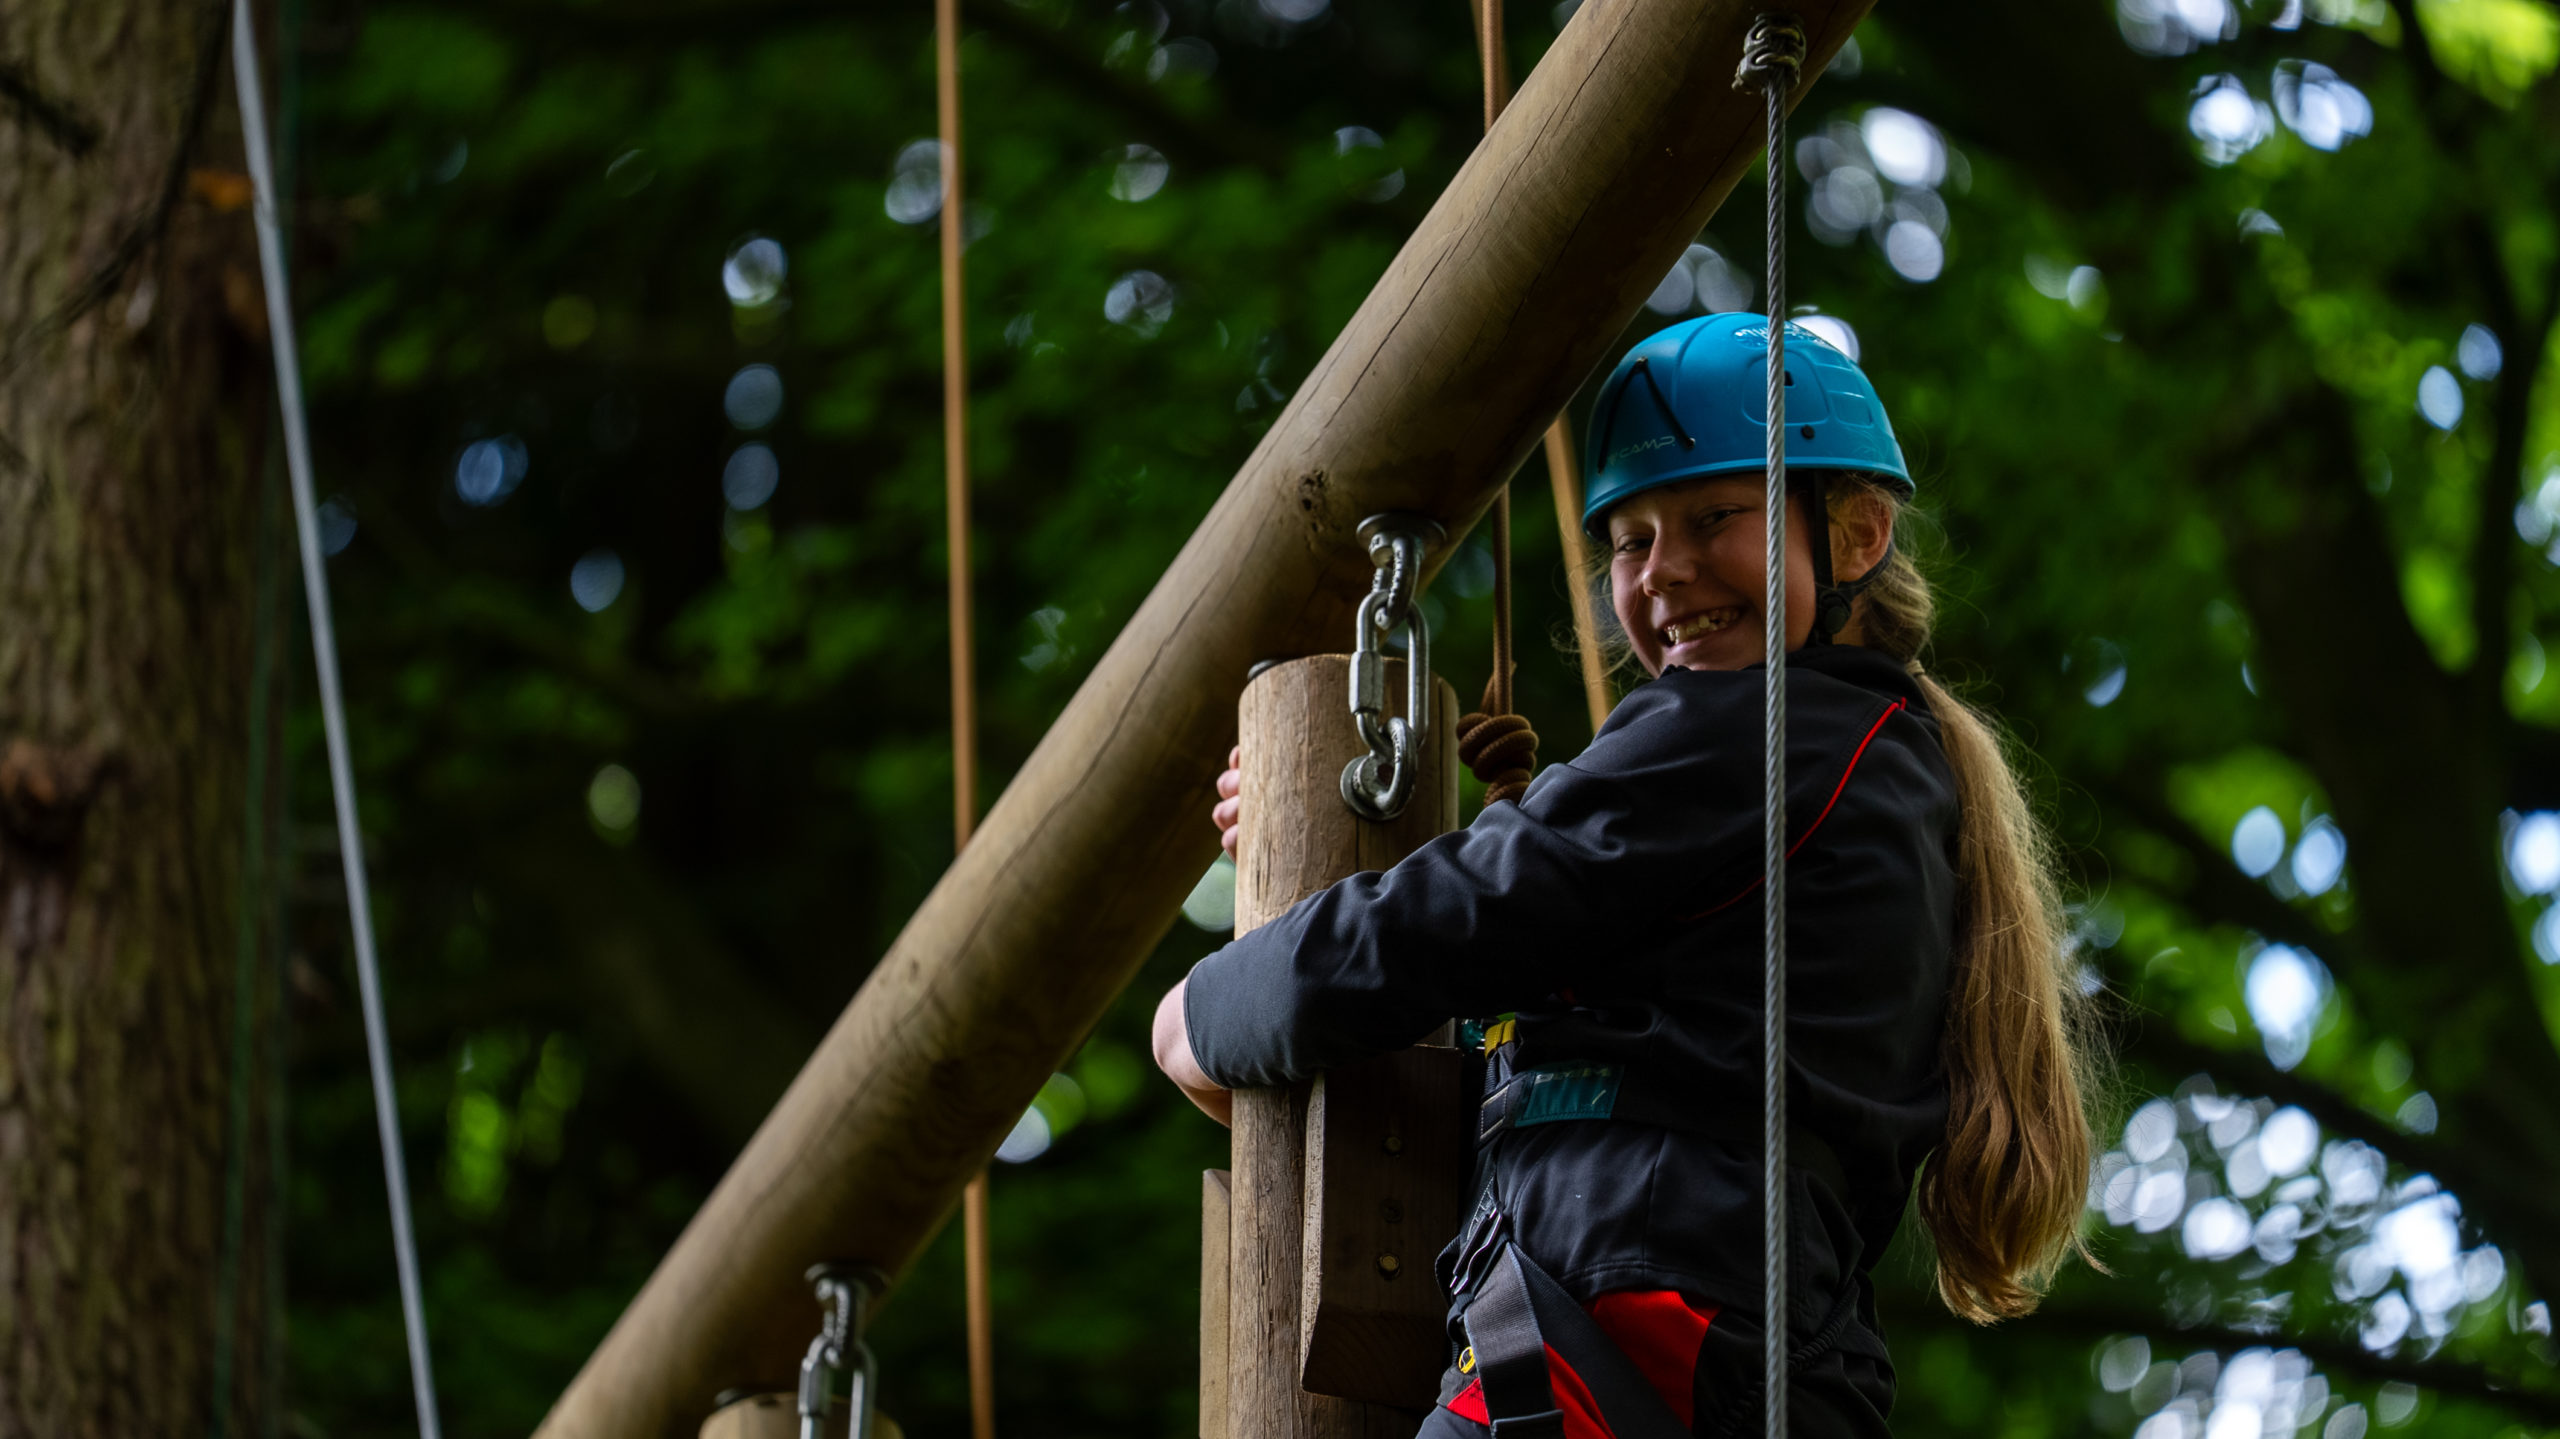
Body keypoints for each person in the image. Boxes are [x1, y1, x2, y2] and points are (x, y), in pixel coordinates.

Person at [1153, 313, 2101, 1438]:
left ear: (1855, 533)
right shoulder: (1862, 770)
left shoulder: (1761, 728)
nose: (1665, 571)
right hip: (1713, 1347)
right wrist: (1298, 880)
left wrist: (1203, 1010)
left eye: (1714, 518)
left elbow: (1453, 915)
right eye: (1631, 540)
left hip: (1641, 1332)